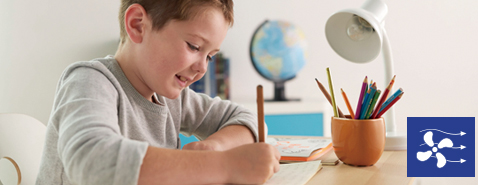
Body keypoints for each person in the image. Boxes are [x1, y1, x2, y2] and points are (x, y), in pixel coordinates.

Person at [36, 0, 280, 184]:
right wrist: (224, 165)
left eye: (210, 56)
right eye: (194, 46)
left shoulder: (171, 97)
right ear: (138, 25)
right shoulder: (89, 81)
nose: (202, 68)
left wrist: (212, 148)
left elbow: (247, 119)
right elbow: (92, 161)